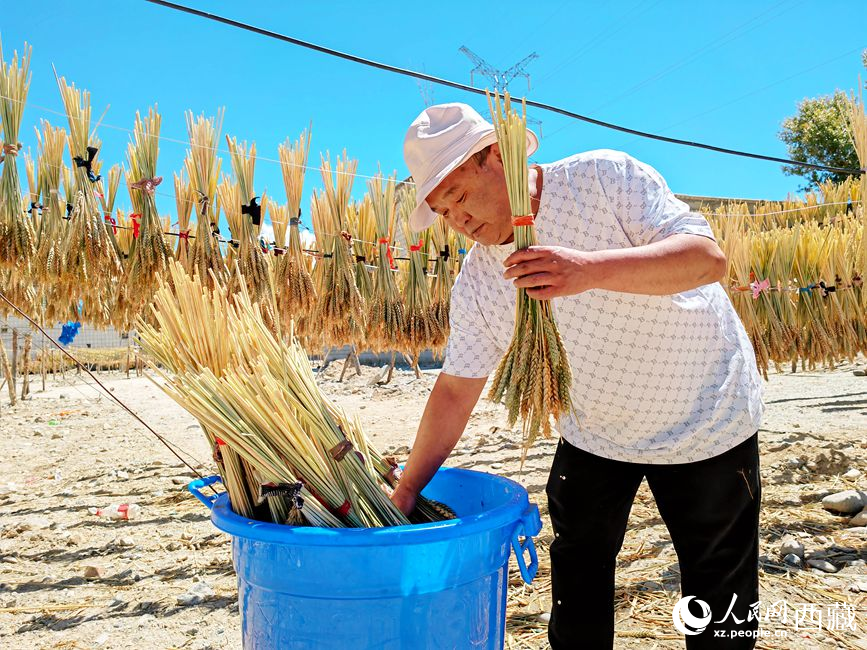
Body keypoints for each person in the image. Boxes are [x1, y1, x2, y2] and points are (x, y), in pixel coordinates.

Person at [390, 102, 764, 649]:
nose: (461, 221)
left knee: (719, 601)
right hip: (595, 433)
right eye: (445, 212)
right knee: (577, 588)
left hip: (706, 417)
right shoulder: (478, 281)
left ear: (497, 157)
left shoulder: (604, 178)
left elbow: (707, 260)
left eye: (462, 197)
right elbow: (455, 389)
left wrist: (588, 270)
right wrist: (406, 490)